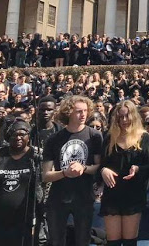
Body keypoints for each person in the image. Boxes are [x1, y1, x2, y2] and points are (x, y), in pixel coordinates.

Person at [42, 95, 103, 246]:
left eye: (85, 111)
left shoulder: (94, 136)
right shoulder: (54, 139)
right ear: (68, 112)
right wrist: (64, 173)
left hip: (84, 197)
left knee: (83, 240)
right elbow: (45, 175)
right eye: (78, 111)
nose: (83, 115)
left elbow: (99, 167)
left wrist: (84, 168)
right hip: (58, 198)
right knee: (57, 241)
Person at [99, 100, 149, 246]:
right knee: (113, 242)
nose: (124, 120)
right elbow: (100, 165)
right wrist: (103, 170)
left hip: (133, 194)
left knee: (130, 242)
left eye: (127, 116)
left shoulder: (144, 137)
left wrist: (137, 169)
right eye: (120, 117)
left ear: (134, 116)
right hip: (112, 194)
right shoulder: (109, 137)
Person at [0, 119, 42, 246]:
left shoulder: (38, 156)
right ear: (8, 136)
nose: (19, 137)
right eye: (15, 134)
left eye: (22, 134)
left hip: (26, 220)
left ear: (29, 136)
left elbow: (47, 184)